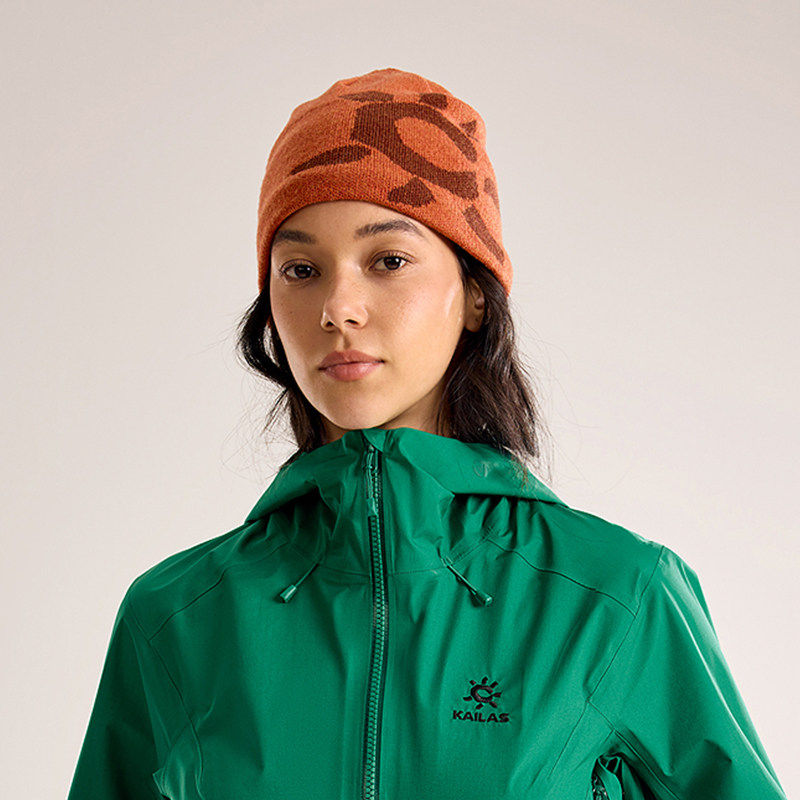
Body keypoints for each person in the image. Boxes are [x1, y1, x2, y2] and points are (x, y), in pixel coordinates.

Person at [67, 67, 788, 800]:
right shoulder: (177, 617)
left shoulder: (616, 597)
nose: (339, 307)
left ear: (474, 294)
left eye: (389, 261)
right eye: (301, 269)